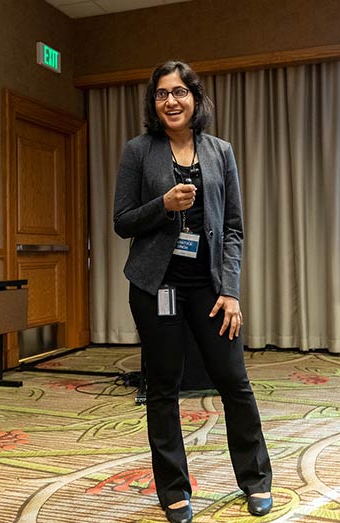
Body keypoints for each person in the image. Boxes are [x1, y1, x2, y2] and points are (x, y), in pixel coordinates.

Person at [114, 61, 273, 523]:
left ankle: (256, 479)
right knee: (163, 388)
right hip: (154, 286)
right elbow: (121, 221)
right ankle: (174, 491)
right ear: (154, 102)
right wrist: (162, 206)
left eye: (180, 92)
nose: (171, 101)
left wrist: (231, 290)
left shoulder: (220, 151)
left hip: (210, 288)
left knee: (234, 381)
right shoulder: (138, 151)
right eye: (162, 93)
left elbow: (234, 230)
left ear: (196, 98)